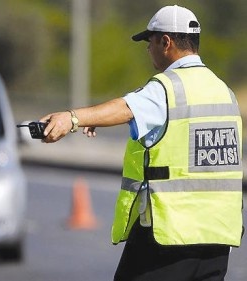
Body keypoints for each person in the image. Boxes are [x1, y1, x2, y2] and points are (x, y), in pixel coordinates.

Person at [39, 5, 243, 281]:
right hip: (218, 239)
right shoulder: (224, 92)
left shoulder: (167, 87)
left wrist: (72, 118)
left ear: (166, 42)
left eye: (150, 42)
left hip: (169, 238)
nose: (148, 50)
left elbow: (126, 107)